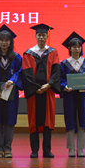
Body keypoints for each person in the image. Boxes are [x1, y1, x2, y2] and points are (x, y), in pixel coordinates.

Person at [21, 23, 60, 158]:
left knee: (47, 122)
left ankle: (47, 150)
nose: (42, 38)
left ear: (47, 36)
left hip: (48, 92)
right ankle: (34, 150)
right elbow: (27, 74)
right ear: (36, 36)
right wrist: (35, 88)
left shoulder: (53, 53)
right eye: (39, 35)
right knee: (34, 122)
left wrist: (48, 85)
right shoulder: (28, 54)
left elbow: (56, 72)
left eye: (44, 35)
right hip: (34, 93)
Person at [0, 24, 23, 158]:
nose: (4, 43)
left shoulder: (16, 57)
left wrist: (13, 80)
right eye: (1, 40)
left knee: (9, 121)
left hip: (11, 93)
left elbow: (20, 72)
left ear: (11, 42)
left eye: (7, 40)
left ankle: (7, 148)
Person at [59, 32, 85, 158]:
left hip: (82, 96)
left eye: (79, 46)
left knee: (82, 121)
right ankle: (71, 148)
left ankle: (80, 148)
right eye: (74, 47)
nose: (76, 49)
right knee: (70, 120)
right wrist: (65, 86)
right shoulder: (64, 64)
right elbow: (60, 80)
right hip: (69, 96)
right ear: (69, 48)